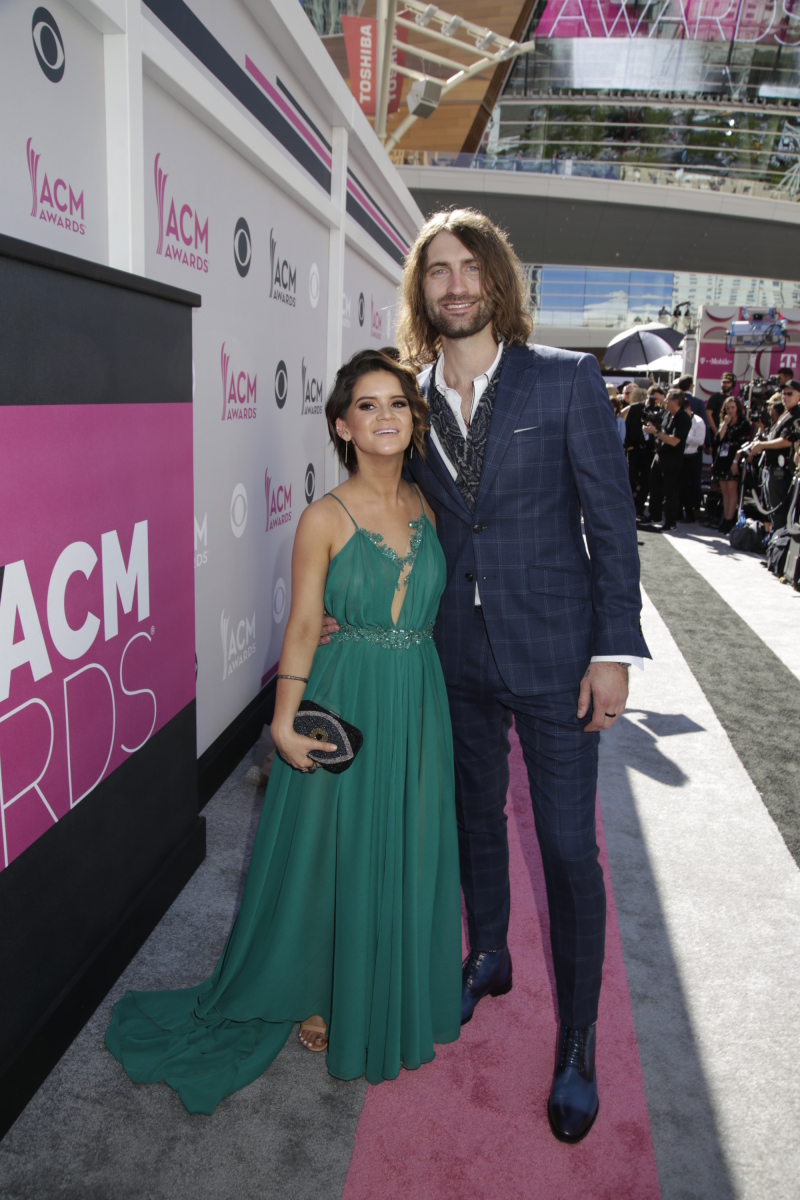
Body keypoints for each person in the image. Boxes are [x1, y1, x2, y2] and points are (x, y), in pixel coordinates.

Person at [323, 208, 649, 1143]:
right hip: (450, 659)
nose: (455, 285)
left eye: (470, 268)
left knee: (565, 846)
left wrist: (611, 652)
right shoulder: (411, 400)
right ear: (421, 291)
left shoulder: (566, 380)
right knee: (472, 820)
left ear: (496, 281)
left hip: (556, 657)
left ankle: (579, 1040)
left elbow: (613, 525)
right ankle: (491, 955)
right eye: (438, 272)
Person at [105, 349, 462, 1114]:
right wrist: (279, 722)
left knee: (404, 841)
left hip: (418, 698)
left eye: (396, 403)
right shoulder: (322, 518)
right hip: (350, 697)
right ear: (343, 425)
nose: (385, 417)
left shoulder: (430, 509)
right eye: (366, 406)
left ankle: (381, 977)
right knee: (332, 850)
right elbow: (303, 624)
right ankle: (321, 984)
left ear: (413, 417)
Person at [748, 378, 800, 532]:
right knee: (772, 510)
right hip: (771, 468)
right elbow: (775, 438)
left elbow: (787, 441)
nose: (785, 397)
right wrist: (762, 438)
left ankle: (778, 547)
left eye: (789, 393)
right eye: (783, 393)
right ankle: (774, 544)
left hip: (782, 471)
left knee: (779, 512)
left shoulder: (797, 414)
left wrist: (762, 445)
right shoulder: (786, 413)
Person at [643, 387, 692, 531]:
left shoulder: (683, 418)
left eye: (668, 398)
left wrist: (656, 432)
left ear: (676, 402)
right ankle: (654, 515)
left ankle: (671, 521)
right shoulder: (667, 415)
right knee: (653, 484)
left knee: (670, 490)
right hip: (661, 454)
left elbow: (675, 440)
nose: (665, 401)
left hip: (673, 459)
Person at [711, 395, 751, 533]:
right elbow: (718, 441)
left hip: (734, 458)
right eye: (728, 408)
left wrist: (735, 461)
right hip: (722, 459)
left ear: (738, 408)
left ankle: (729, 520)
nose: (730, 411)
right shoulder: (725, 423)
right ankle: (725, 519)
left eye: (733, 408)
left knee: (732, 491)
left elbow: (743, 445)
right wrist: (724, 425)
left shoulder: (743, 424)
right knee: (725, 492)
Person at [622, 385, 651, 516]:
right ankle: (627, 507)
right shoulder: (634, 408)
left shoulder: (658, 410)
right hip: (634, 450)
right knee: (631, 479)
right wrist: (628, 445)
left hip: (649, 452)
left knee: (646, 480)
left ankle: (639, 508)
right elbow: (626, 428)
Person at [679, 394, 707, 522]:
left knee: (688, 487)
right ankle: (678, 513)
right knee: (680, 486)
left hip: (692, 456)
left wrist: (684, 437)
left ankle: (690, 514)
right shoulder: (679, 418)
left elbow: (700, 441)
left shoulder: (698, 421)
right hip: (680, 455)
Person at [705, 371, 736, 436]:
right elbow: (708, 414)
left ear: (732, 384)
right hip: (715, 433)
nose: (725, 384)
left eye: (728, 382)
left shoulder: (734, 399)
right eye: (724, 382)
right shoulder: (715, 396)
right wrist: (717, 432)